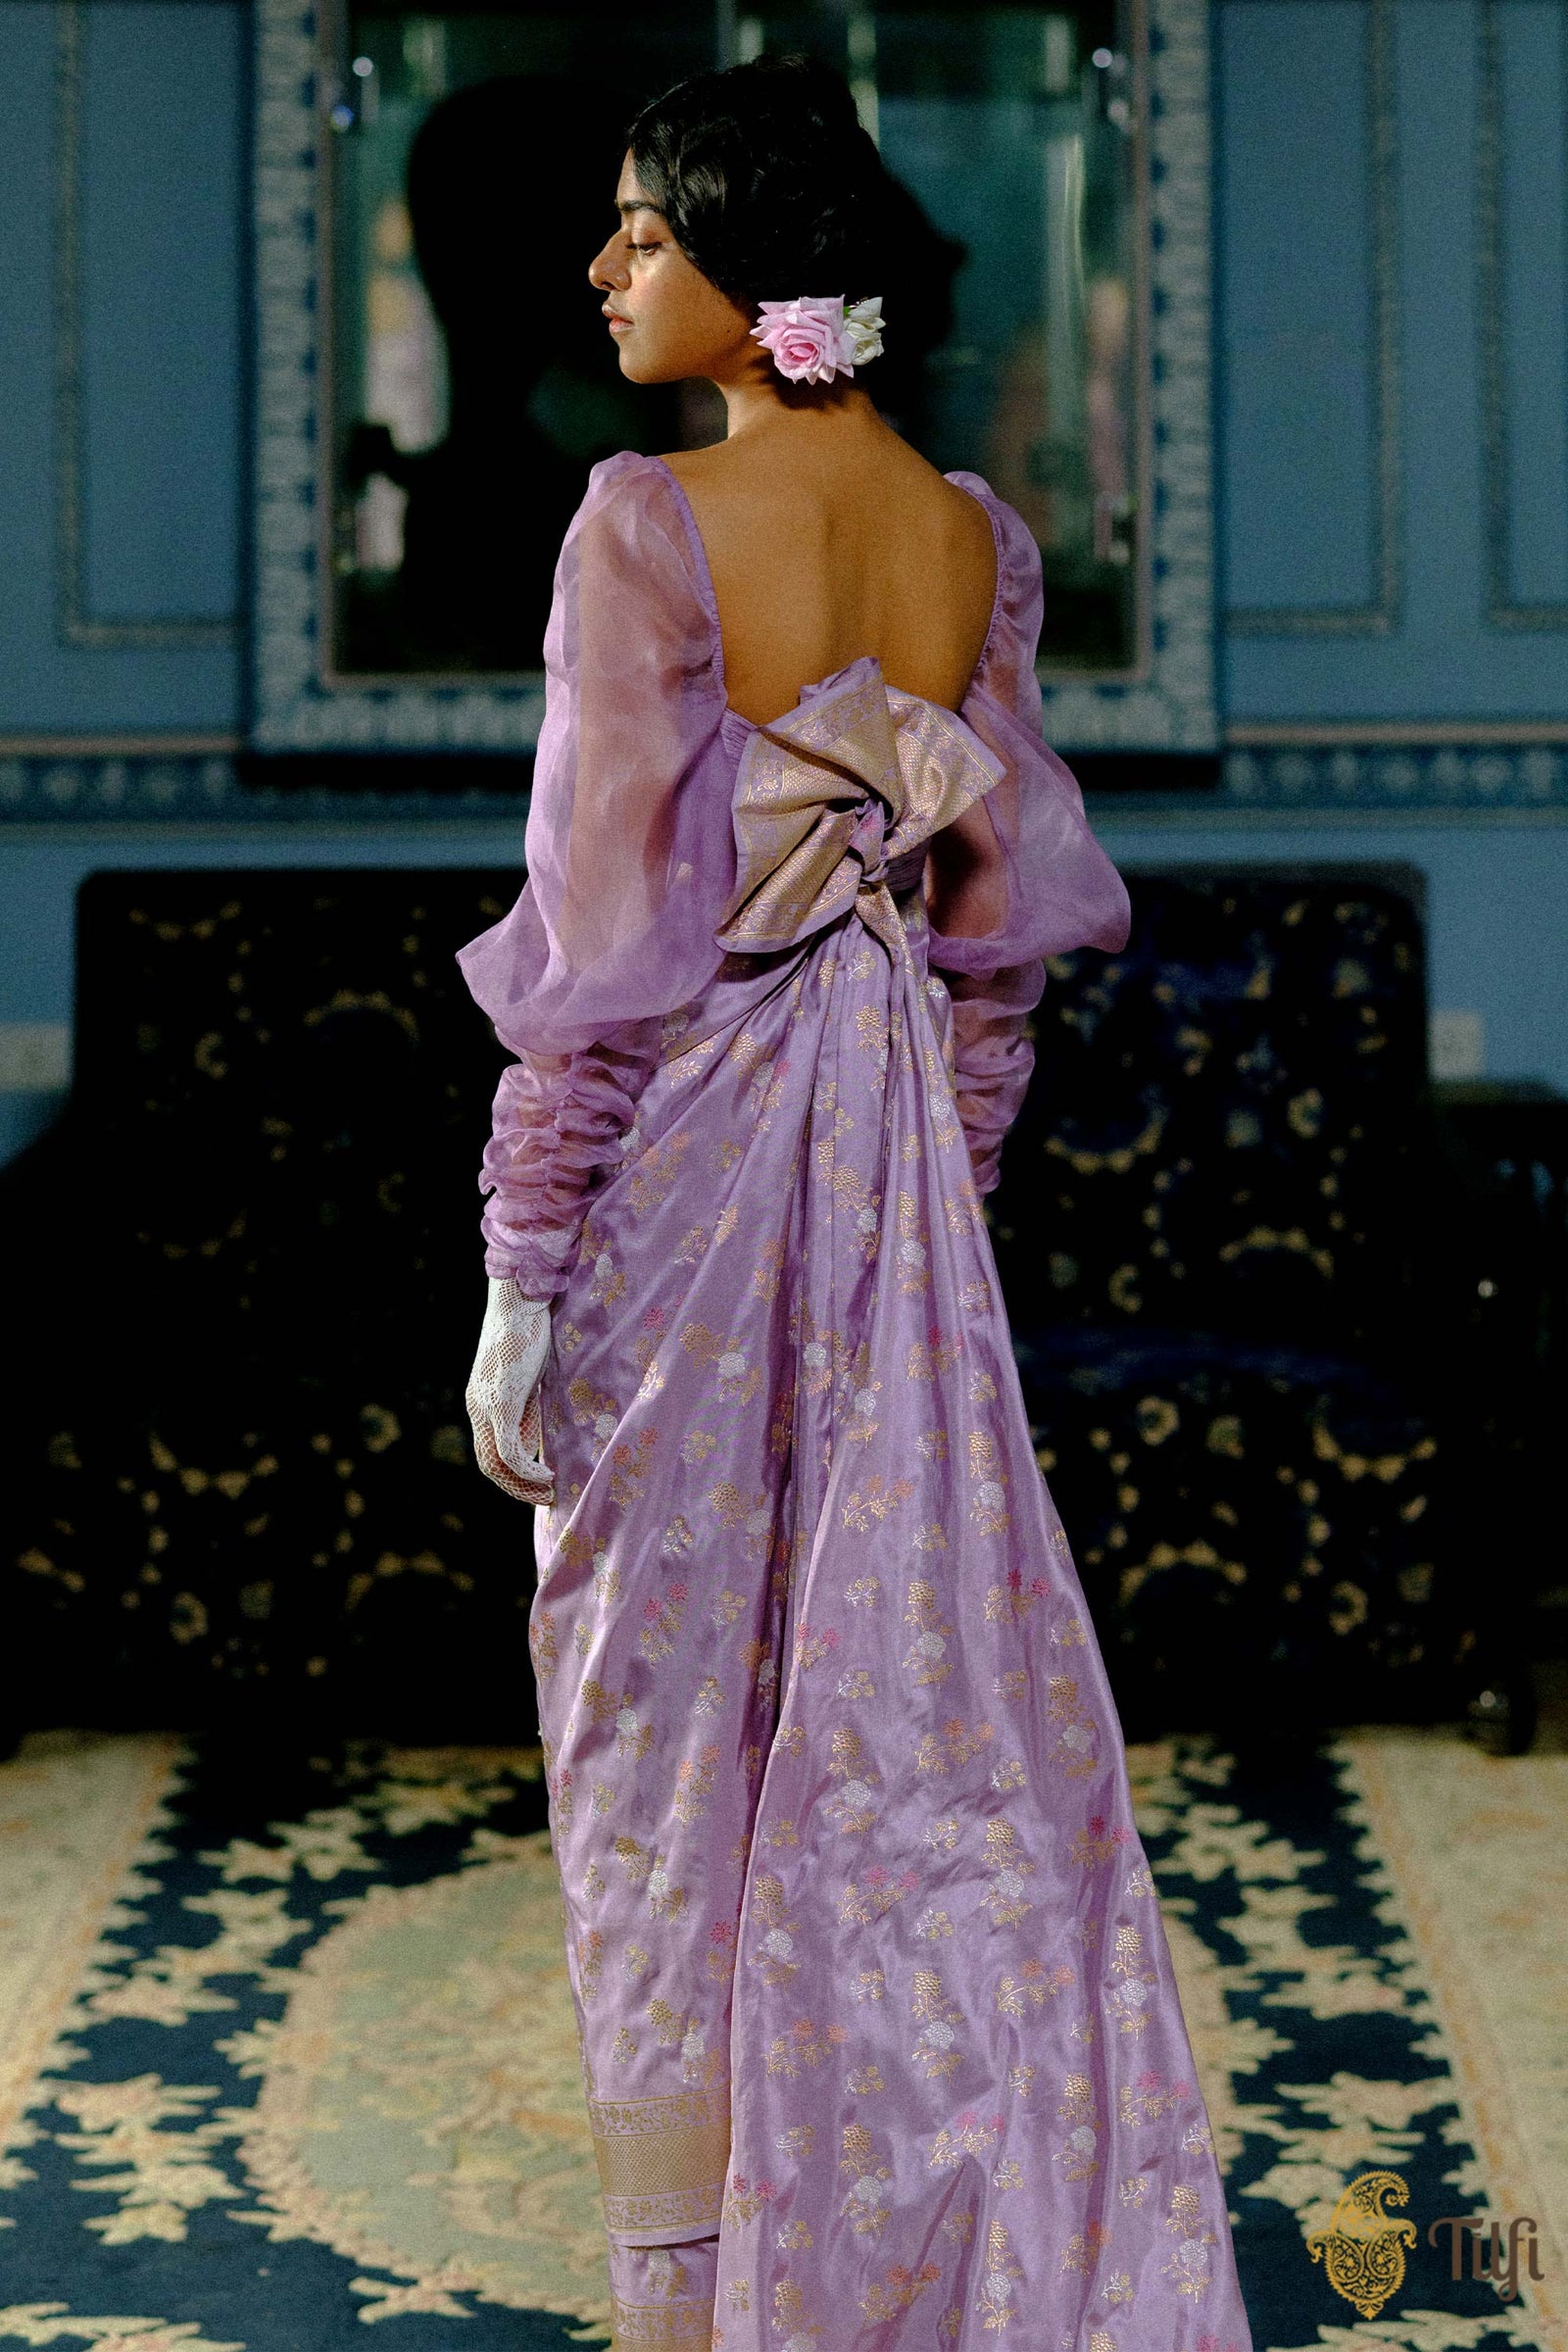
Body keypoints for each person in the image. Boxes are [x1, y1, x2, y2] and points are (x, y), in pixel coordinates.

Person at [460, 55, 1252, 2352]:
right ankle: (892, 2248)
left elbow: (597, 947)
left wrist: (521, 1270)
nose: (603, 266)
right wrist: (942, 1222)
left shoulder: (640, 521)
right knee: (894, 1734)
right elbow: (994, 955)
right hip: (893, 1173)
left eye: (642, 229)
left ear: (754, 265)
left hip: (687, 1179)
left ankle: (699, 2297)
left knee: (652, 1720)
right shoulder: (969, 537)